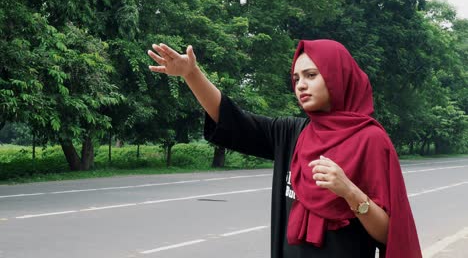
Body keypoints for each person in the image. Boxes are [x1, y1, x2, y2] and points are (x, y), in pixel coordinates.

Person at [147, 39, 422, 258]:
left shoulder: (371, 140)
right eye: (296, 78)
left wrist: (349, 192)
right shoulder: (292, 133)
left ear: (338, 76)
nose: (301, 84)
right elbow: (232, 119)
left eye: (311, 75)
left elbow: (390, 234)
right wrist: (191, 74)